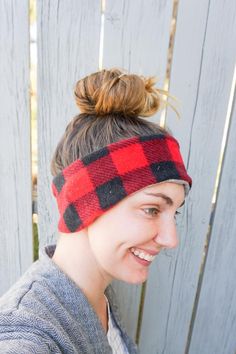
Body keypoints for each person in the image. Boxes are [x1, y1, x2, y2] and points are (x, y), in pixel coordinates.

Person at [0, 68, 192, 353]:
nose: (171, 239)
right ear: (85, 203)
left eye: (173, 212)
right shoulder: (28, 332)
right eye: (152, 209)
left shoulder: (96, 291)